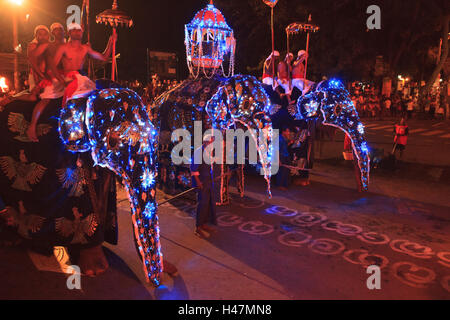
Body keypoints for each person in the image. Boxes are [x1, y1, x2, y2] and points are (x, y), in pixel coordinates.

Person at [51, 23, 116, 106]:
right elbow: (53, 66)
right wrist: (62, 81)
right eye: (74, 30)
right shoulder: (64, 47)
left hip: (82, 78)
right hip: (69, 78)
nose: (77, 32)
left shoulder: (85, 48)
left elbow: (104, 58)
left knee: (100, 94)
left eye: (79, 30)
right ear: (69, 33)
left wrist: (110, 43)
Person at [26, 23, 68, 142]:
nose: (43, 36)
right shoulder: (34, 46)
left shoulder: (58, 44)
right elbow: (35, 65)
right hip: (42, 76)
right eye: (40, 34)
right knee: (42, 98)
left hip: (56, 76)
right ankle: (32, 126)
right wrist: (42, 80)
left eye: (60, 30)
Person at [191, 134, 217, 239]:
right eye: (211, 142)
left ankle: (203, 223)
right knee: (202, 204)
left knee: (208, 203)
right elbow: (193, 169)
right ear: (206, 142)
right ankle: (198, 227)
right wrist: (199, 183)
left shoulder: (207, 151)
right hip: (201, 182)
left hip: (208, 181)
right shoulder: (198, 152)